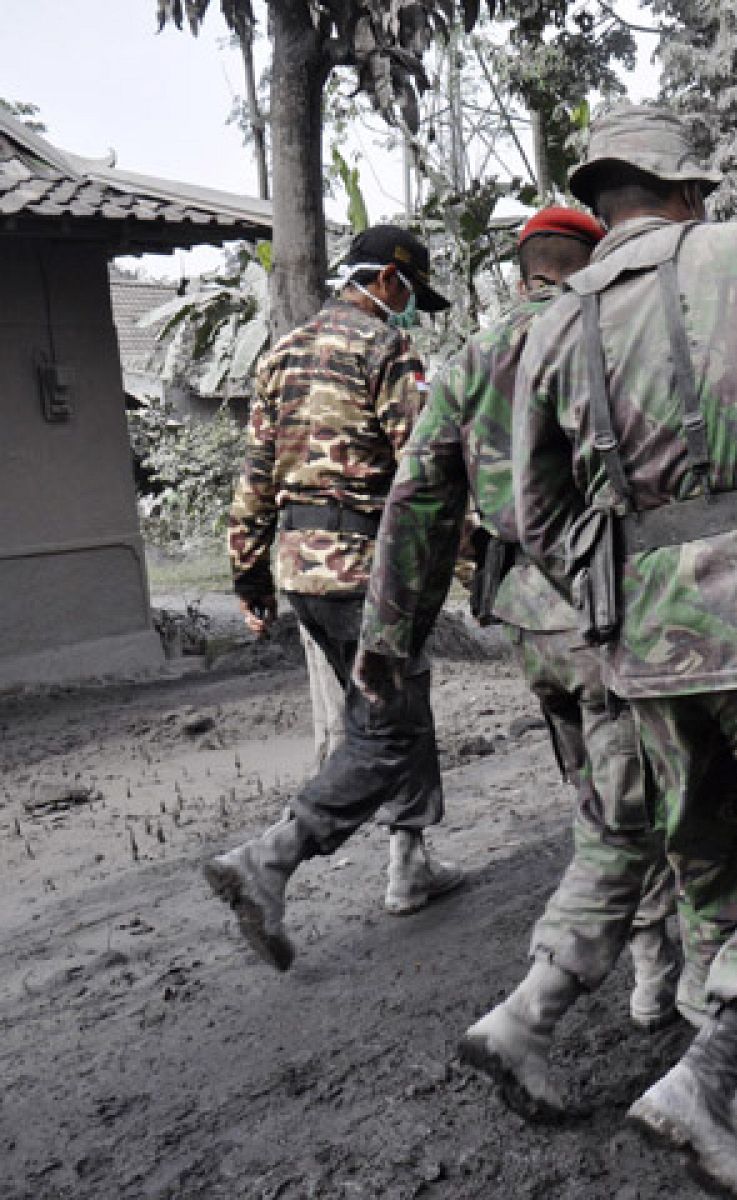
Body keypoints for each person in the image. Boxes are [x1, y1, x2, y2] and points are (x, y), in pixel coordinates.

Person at [510, 105, 737, 1200]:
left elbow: (531, 504)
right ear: (684, 192)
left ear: (603, 200)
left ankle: (732, 1069)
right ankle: (711, 1073)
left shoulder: (555, 314)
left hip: (641, 634)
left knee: (704, 846)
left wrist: (613, 577)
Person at [347, 209, 706, 1119]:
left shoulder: (470, 356)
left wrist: (390, 639)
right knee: (661, 807)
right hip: (609, 614)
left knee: (605, 798)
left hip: (527, 625)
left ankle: (652, 981)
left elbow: (419, 497)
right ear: (591, 264)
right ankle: (651, 998)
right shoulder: (603, 330)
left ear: (517, 273)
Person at [206, 226, 463, 970]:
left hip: (301, 572)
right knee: (387, 731)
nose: (410, 307)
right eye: (409, 291)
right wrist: (475, 556)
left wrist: (250, 578)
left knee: (392, 709)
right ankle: (270, 857)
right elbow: (427, 468)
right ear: (387, 280)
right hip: (367, 569)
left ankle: (409, 863)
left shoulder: (278, 354)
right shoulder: (386, 350)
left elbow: (254, 477)